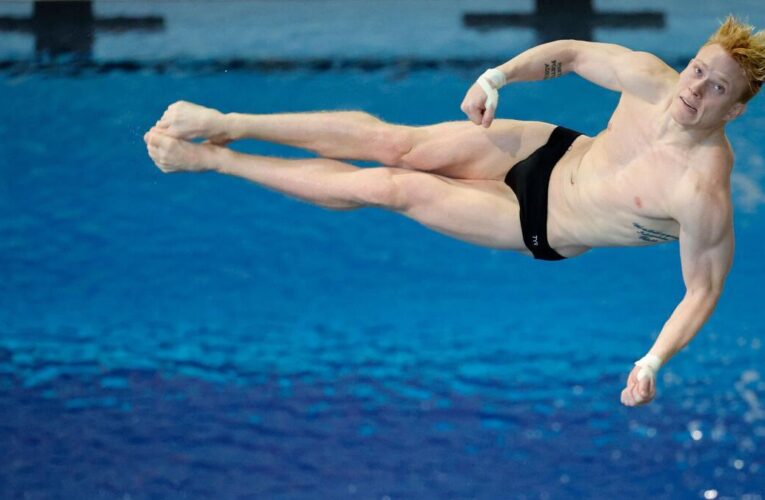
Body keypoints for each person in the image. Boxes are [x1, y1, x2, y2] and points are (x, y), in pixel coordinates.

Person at [144, 16, 765, 407]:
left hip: (542, 224)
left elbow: (703, 289)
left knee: (390, 186)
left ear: (734, 109)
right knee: (397, 144)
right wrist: (497, 77)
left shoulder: (701, 189)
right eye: (698, 68)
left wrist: (652, 359)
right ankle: (227, 122)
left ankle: (216, 162)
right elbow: (574, 53)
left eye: (717, 88)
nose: (694, 87)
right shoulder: (649, 80)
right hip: (550, 148)